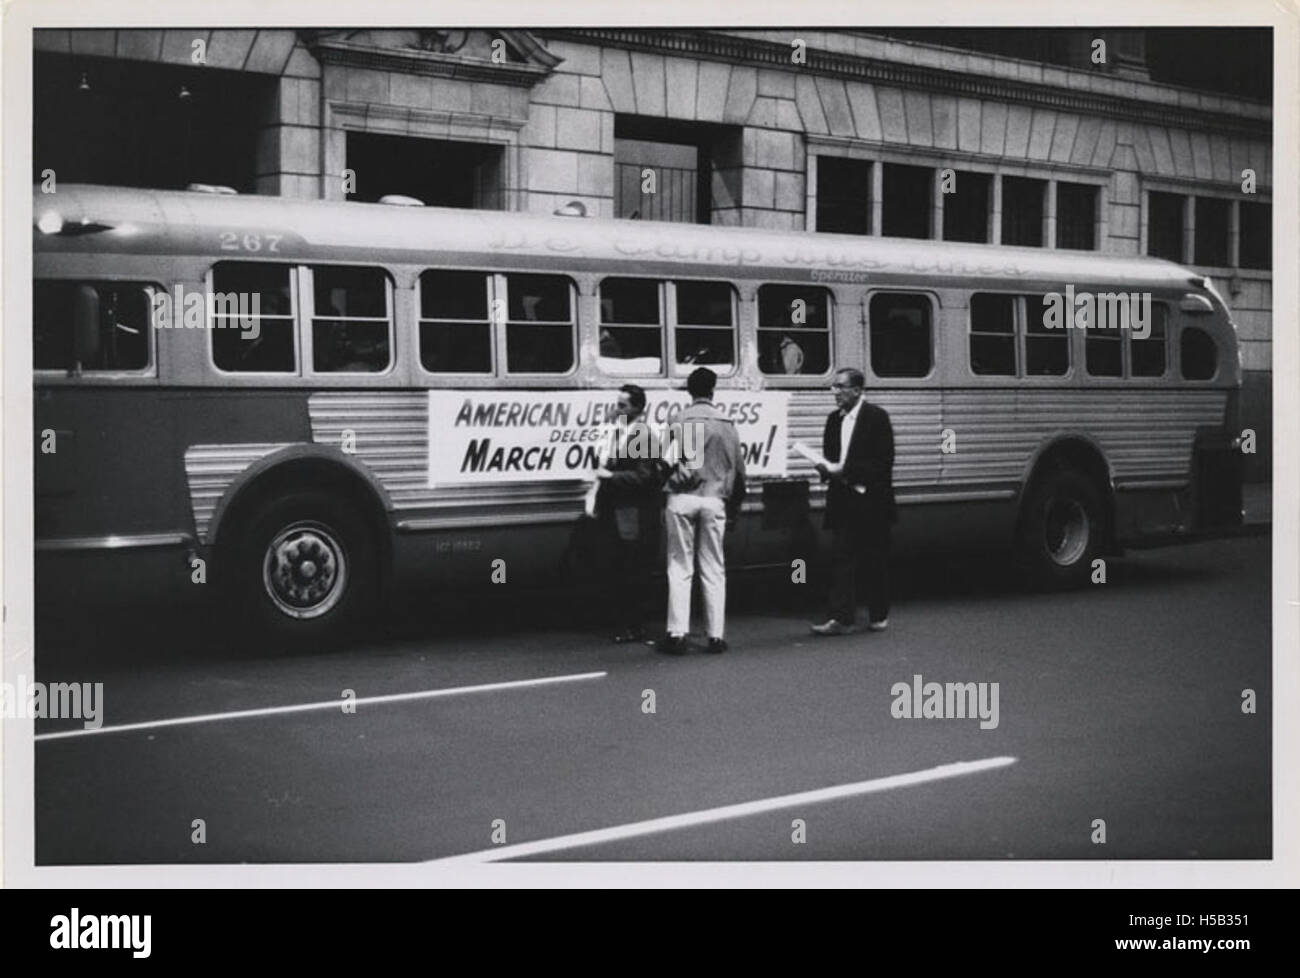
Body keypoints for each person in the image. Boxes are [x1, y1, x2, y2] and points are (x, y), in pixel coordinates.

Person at [658, 367, 747, 655]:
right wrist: (734, 506)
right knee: (714, 569)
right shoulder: (727, 424)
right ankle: (715, 636)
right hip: (714, 500)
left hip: (682, 498)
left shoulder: (677, 421)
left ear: (689, 391)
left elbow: (661, 462)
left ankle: (677, 633)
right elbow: (740, 472)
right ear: (713, 390)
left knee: (680, 567)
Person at [811, 367, 896, 636]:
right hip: (843, 499)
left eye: (840, 387)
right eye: (834, 387)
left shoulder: (877, 418)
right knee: (841, 559)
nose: (834, 392)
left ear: (857, 390)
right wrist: (825, 470)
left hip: (872, 500)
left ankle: (878, 614)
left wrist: (845, 471)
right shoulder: (833, 420)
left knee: (875, 559)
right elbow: (830, 456)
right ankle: (841, 617)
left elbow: (883, 463)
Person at [592, 384, 666, 643]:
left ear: (637, 408)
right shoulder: (619, 433)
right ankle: (627, 622)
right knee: (622, 569)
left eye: (622, 405)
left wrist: (611, 476)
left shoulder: (644, 437)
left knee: (635, 571)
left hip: (635, 514)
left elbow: (645, 477)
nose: (617, 409)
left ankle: (635, 625)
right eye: (617, 404)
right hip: (619, 511)